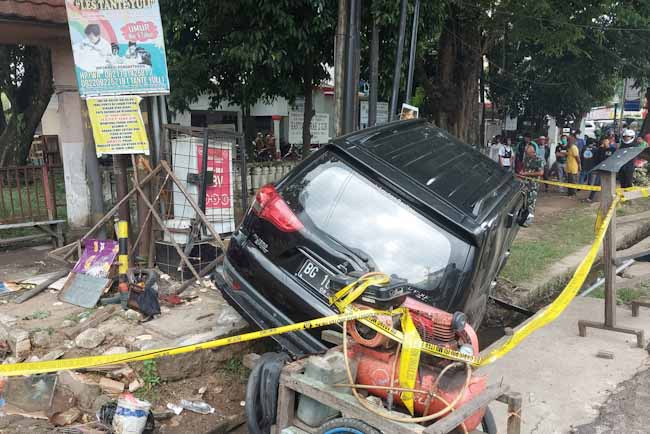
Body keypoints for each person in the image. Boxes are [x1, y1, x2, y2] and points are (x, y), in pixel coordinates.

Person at [522, 143, 545, 226]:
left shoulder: (539, 160)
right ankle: (523, 217)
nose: (526, 154)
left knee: (531, 202)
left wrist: (526, 174)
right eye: (526, 153)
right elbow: (524, 169)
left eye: (528, 153)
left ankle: (529, 220)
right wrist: (522, 174)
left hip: (533, 185)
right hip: (525, 183)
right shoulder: (526, 159)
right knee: (524, 201)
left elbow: (541, 172)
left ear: (533, 151)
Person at [587, 137, 615, 202]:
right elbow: (596, 158)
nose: (604, 142)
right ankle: (591, 197)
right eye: (603, 141)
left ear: (609, 141)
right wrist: (600, 148)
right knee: (597, 183)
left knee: (610, 184)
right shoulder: (600, 150)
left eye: (606, 141)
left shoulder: (613, 149)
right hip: (601, 169)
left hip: (609, 169)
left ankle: (610, 198)